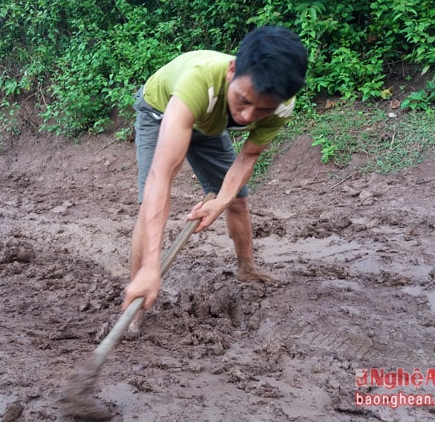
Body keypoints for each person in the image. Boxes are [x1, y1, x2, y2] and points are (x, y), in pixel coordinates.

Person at [122, 26, 308, 316]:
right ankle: (135, 303)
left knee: (237, 199)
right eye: (244, 101)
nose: (247, 116)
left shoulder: (282, 105)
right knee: (150, 205)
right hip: (161, 112)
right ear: (232, 70)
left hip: (211, 121)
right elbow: (161, 176)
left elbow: (249, 156)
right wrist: (152, 266)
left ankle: (247, 269)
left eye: (262, 111)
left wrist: (221, 200)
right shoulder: (199, 82)